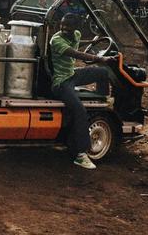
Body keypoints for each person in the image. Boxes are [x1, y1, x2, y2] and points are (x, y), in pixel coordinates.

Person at [49, 13, 117, 170]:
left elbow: (78, 44)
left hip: (72, 74)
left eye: (68, 26)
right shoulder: (56, 40)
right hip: (61, 82)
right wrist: (101, 59)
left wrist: (93, 42)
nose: (64, 28)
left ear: (75, 28)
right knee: (80, 110)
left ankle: (104, 101)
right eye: (62, 25)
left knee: (102, 73)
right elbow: (76, 54)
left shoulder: (77, 34)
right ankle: (81, 154)